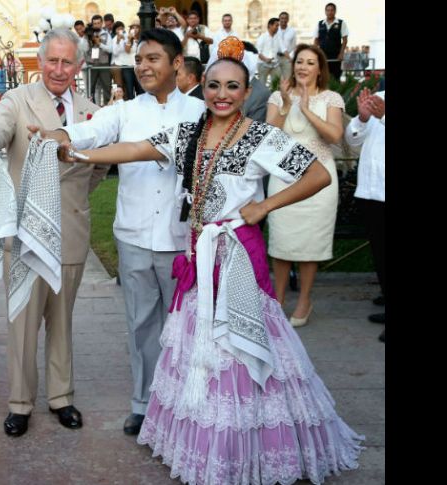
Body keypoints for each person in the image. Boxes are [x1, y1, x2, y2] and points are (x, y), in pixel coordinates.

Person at [57, 43, 364, 484]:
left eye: (232, 87)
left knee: (239, 345)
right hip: (198, 254)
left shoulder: (260, 136)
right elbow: (135, 149)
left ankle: (248, 441)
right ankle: (206, 437)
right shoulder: (190, 133)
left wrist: (264, 207)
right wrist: (77, 152)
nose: (222, 94)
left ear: (246, 91)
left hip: (238, 255)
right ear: (202, 87)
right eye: (214, 85)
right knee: (200, 345)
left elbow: (316, 174)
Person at [35, 28, 206, 437]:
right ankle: (144, 404)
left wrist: (73, 147)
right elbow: (89, 129)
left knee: (184, 326)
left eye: (152, 59)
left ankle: (185, 401)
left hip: (181, 238)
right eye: (139, 60)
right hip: (133, 235)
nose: (143, 67)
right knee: (141, 323)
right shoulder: (126, 111)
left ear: (176, 63)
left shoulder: (198, 113)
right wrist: (60, 136)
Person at [0, 28, 109, 438]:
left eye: (67, 62)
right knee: (22, 322)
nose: (58, 69)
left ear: (79, 66)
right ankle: (20, 403)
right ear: (40, 60)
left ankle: (61, 397)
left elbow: (100, 163)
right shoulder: (19, 100)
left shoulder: (91, 110)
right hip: (27, 234)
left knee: (62, 320)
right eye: (52, 60)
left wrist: (72, 197)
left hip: (70, 229)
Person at [265, 44, 345, 326]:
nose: (303, 67)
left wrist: (308, 109)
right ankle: (278, 298)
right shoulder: (278, 95)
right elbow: (269, 135)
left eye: (310, 63)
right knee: (282, 240)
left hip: (319, 181)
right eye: (299, 61)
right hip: (283, 179)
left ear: (319, 68)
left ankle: (304, 300)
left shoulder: (331, 98)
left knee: (311, 244)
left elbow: (335, 135)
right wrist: (288, 105)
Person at [345, 88, 385, 342]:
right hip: (371, 191)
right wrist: (361, 118)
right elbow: (353, 142)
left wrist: (383, 118)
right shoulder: (378, 96)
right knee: (380, 252)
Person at [313, 2, 349, 81]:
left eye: (332, 10)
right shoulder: (320, 24)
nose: (330, 12)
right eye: (328, 10)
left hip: (336, 55)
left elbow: (345, 40)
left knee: (336, 76)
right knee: (322, 76)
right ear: (325, 11)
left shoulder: (341, 23)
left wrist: (341, 53)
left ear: (335, 11)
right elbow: (316, 40)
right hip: (323, 55)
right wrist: (315, 53)